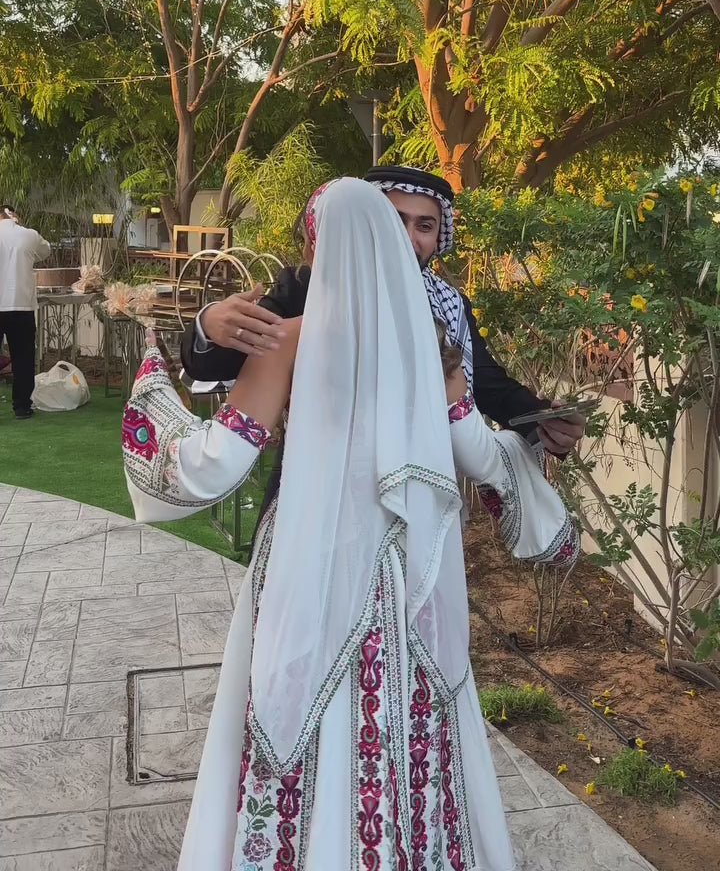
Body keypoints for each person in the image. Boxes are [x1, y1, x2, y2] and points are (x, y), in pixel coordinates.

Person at [122, 179, 579, 870]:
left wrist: (151, 396)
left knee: (300, 688)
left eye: (426, 225)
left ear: (320, 239)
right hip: (413, 567)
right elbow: (480, 456)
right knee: (414, 706)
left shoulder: (290, 340)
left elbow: (211, 466)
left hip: (309, 552)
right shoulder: (434, 348)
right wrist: (523, 454)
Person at [180, 165, 585, 530]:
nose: (408, 237)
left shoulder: (448, 304)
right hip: (314, 504)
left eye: (424, 226)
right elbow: (228, 359)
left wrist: (543, 420)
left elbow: (490, 387)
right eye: (394, 220)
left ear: (437, 238)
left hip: (419, 508)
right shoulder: (308, 288)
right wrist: (210, 325)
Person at [0, 203, 51, 419]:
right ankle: (22, 406)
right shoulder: (29, 235)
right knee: (23, 357)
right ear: (13, 215)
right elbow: (45, 250)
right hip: (20, 305)